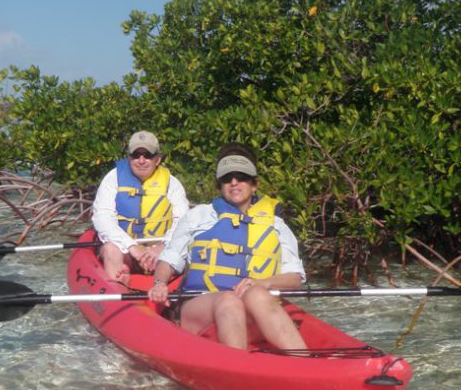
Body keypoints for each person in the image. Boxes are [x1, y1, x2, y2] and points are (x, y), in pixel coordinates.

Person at [148, 142, 307, 350]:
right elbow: (168, 261)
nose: (234, 183)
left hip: (250, 308)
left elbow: (295, 277)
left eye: (241, 177)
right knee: (229, 299)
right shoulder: (198, 216)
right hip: (200, 307)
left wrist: (263, 283)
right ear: (220, 185)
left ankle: (306, 362)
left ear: (254, 184)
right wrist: (160, 282)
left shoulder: (276, 225)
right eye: (226, 178)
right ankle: (241, 370)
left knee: (258, 294)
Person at [92, 131, 189, 284]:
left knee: (184, 251)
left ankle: (167, 295)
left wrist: (162, 247)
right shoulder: (112, 179)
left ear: (157, 159)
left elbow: (183, 221)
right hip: (127, 251)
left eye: (147, 155)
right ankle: (120, 291)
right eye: (136, 155)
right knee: (111, 249)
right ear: (129, 158)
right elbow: (102, 217)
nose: (141, 160)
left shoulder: (172, 183)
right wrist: (133, 248)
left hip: (161, 251)